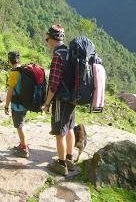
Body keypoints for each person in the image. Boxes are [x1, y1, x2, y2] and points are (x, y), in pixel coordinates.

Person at [43, 25, 76, 176]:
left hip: (60, 100)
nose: (46, 41)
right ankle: (70, 159)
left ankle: (61, 164)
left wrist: (47, 102)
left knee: (59, 132)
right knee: (69, 128)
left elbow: (53, 84)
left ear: (52, 39)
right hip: (72, 98)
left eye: (47, 38)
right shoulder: (69, 52)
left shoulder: (58, 56)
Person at [4, 51, 29, 158]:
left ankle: (24, 148)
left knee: (19, 126)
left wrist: (6, 105)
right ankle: (22, 143)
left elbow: (10, 91)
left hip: (17, 105)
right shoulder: (24, 70)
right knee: (21, 123)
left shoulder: (14, 73)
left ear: (9, 61)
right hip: (25, 103)